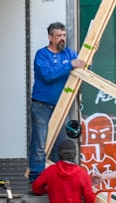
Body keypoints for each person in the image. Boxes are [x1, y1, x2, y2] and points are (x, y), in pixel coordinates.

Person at [28, 22, 86, 185]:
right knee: (40, 144)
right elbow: (48, 75)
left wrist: (91, 52)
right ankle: (36, 182)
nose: (62, 39)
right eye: (59, 36)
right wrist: (69, 65)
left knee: (60, 145)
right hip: (42, 106)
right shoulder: (42, 55)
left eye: (64, 35)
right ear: (50, 38)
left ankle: (58, 182)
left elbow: (85, 66)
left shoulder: (69, 53)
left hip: (61, 106)